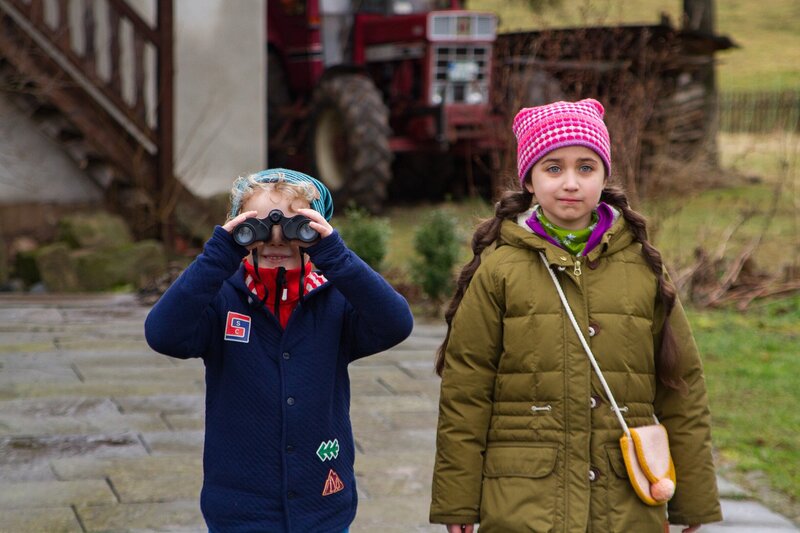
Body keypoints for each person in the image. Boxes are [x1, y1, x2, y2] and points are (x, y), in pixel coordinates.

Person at [429, 99, 722, 532]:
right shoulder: (499, 271)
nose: (570, 183)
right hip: (523, 503)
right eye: (553, 168)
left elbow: (683, 388)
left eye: (586, 168)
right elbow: (465, 392)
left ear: (605, 177)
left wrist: (693, 503)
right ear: (529, 179)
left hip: (626, 503)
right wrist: (457, 504)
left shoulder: (643, 269)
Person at [145, 168, 414, 532]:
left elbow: (396, 322)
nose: (276, 239)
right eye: (257, 226)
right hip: (240, 511)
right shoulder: (222, 298)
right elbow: (162, 334)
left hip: (323, 505)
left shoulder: (334, 301)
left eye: (295, 227)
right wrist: (218, 256)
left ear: (316, 228)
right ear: (239, 229)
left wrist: (334, 254)